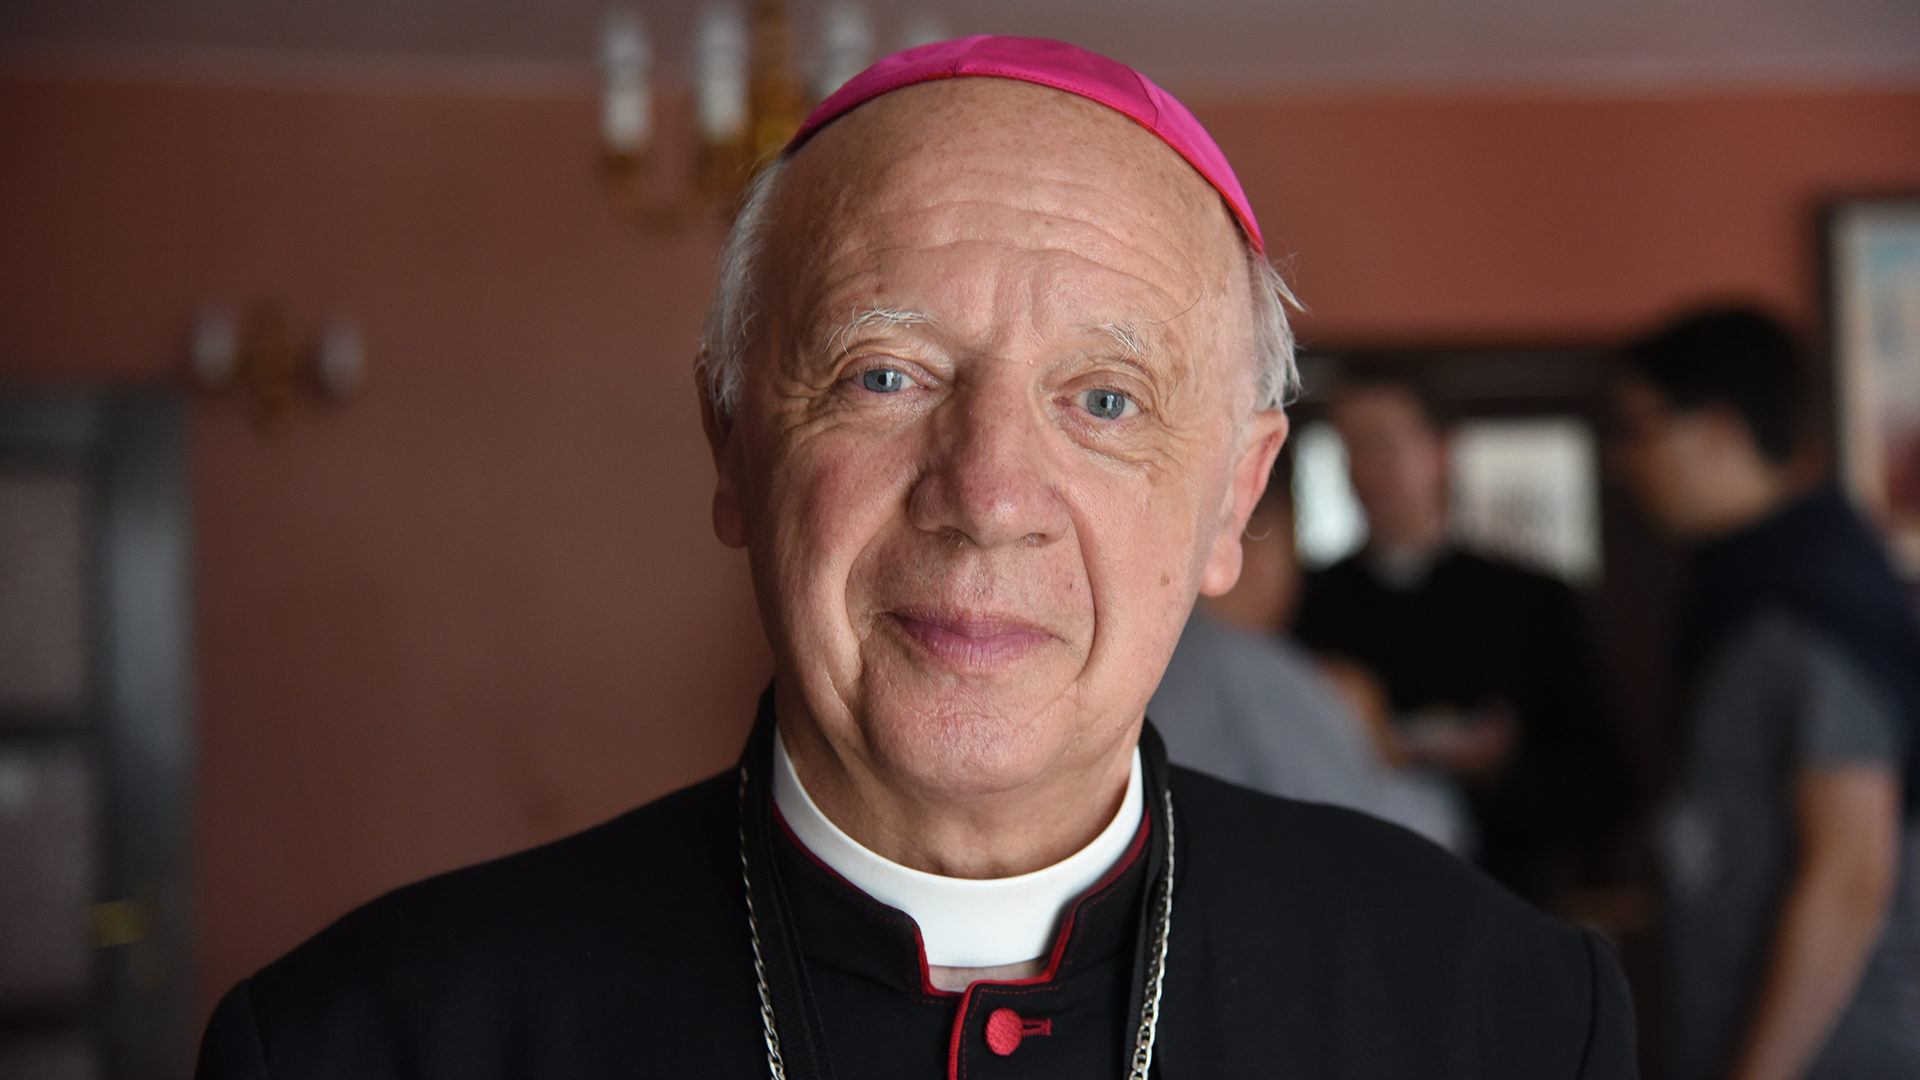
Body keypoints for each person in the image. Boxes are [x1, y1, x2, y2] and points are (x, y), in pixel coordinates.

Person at [195, 37, 1635, 1078]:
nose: (988, 495)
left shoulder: (1501, 1013)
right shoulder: (367, 1040)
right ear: (732, 450)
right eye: (885, 374)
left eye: (1107, 402)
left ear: (1232, 502)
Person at [1615, 306, 1920, 1080]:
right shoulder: (1738, 589)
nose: (1630, 462)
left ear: (1717, 430)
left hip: (1834, 1054)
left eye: (1643, 429)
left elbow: (1851, 873)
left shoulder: (1812, 606)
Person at [1292, 371, 1625, 905]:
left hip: (1504, 893)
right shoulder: (1306, 601)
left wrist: (1500, 770)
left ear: (1440, 451)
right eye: (1348, 448)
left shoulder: (1532, 600)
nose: (1363, 470)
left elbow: (1601, 782)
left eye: (1381, 444)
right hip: (1350, 892)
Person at [1150, 469, 1472, 851]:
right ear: (1250, 537)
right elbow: (1385, 835)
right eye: (1291, 538)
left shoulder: (1151, 656)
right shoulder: (1253, 669)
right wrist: (1380, 748)